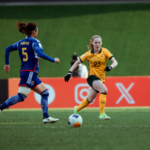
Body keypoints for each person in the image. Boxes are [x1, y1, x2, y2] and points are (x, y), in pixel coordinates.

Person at [0, 21, 60, 124]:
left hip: (30, 73)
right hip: (30, 72)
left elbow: (7, 49)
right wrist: (53, 59)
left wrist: (7, 64)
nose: (37, 33)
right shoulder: (35, 42)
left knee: (45, 93)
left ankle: (46, 117)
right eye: (37, 31)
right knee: (21, 96)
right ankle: (1, 107)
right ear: (34, 32)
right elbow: (40, 53)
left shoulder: (20, 42)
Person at [64, 35, 118, 120]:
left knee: (90, 99)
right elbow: (77, 62)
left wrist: (110, 67)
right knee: (104, 90)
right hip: (92, 78)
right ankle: (102, 114)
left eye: (99, 42)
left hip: (101, 79)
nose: (97, 44)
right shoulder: (88, 54)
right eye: (96, 42)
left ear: (101, 43)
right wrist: (69, 72)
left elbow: (115, 62)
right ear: (92, 43)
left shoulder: (105, 51)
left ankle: (77, 109)